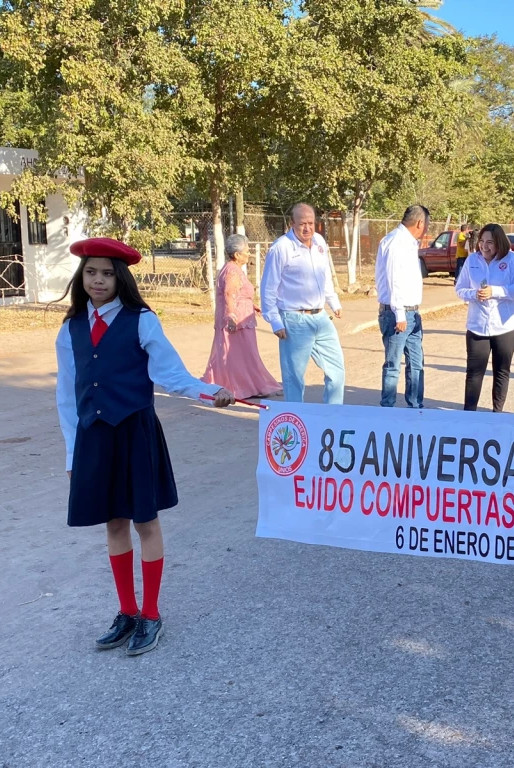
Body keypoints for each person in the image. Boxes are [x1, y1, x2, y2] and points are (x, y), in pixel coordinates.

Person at [54, 238, 235, 656]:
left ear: (121, 278)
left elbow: (171, 375)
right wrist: (70, 453)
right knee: (113, 523)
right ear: (81, 277)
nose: (98, 280)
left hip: (134, 433)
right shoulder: (71, 328)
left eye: (106, 273)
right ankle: (127, 611)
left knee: (144, 522)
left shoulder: (141, 321)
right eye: (90, 272)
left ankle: (151, 614)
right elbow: (67, 395)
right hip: (94, 438)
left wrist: (212, 392)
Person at [261, 203, 345, 404]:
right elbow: (268, 289)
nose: (307, 228)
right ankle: (295, 423)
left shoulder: (319, 242)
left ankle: (332, 418)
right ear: (291, 223)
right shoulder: (281, 248)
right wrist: (275, 321)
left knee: (337, 371)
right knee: (294, 378)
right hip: (294, 320)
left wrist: (333, 301)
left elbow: (323, 276)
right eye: (302, 224)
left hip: (321, 318)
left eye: (311, 223)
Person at [455, 224, 514, 412]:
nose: (484, 246)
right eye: (482, 241)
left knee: (501, 371)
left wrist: (495, 291)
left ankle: (497, 413)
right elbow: (460, 288)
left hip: (506, 326)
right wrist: (474, 294)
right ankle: (469, 415)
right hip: (477, 325)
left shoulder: (513, 260)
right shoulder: (472, 260)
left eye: (490, 242)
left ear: (499, 243)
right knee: (474, 372)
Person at [201, 234, 282, 399]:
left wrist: (252, 306)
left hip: (242, 319)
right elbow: (229, 294)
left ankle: (249, 386)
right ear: (237, 255)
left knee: (245, 355)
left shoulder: (233, 269)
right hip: (237, 322)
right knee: (237, 356)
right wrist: (232, 317)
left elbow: (238, 294)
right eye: (246, 251)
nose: (249, 253)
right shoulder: (232, 271)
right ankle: (240, 388)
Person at [375, 205, 429, 409]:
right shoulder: (396, 242)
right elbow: (393, 280)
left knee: (416, 363)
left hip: (412, 312)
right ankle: (387, 410)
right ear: (420, 223)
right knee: (393, 365)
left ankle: (415, 407)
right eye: (427, 224)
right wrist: (399, 314)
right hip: (397, 313)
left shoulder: (408, 242)